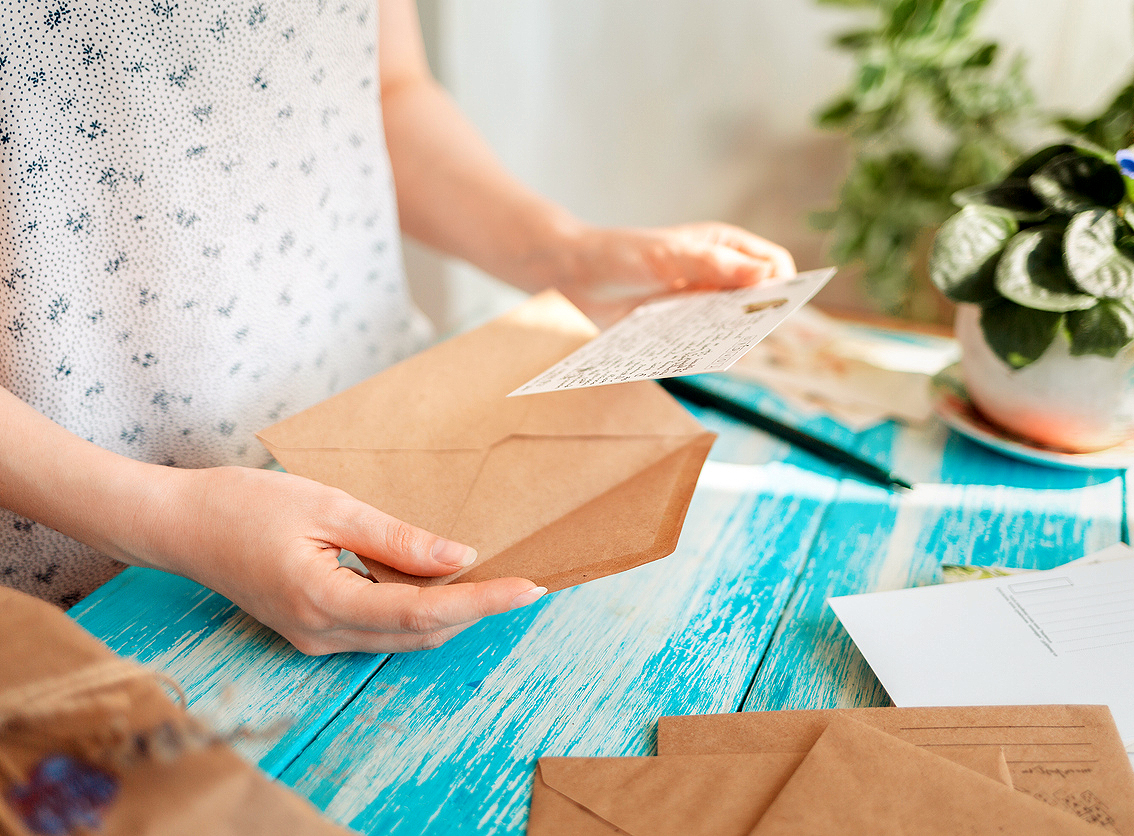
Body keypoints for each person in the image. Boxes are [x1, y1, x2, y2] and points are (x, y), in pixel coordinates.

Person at [0, 0, 795, 654]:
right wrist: (166, 516)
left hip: (395, 436)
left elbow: (385, 88)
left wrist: (568, 254)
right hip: (83, 553)